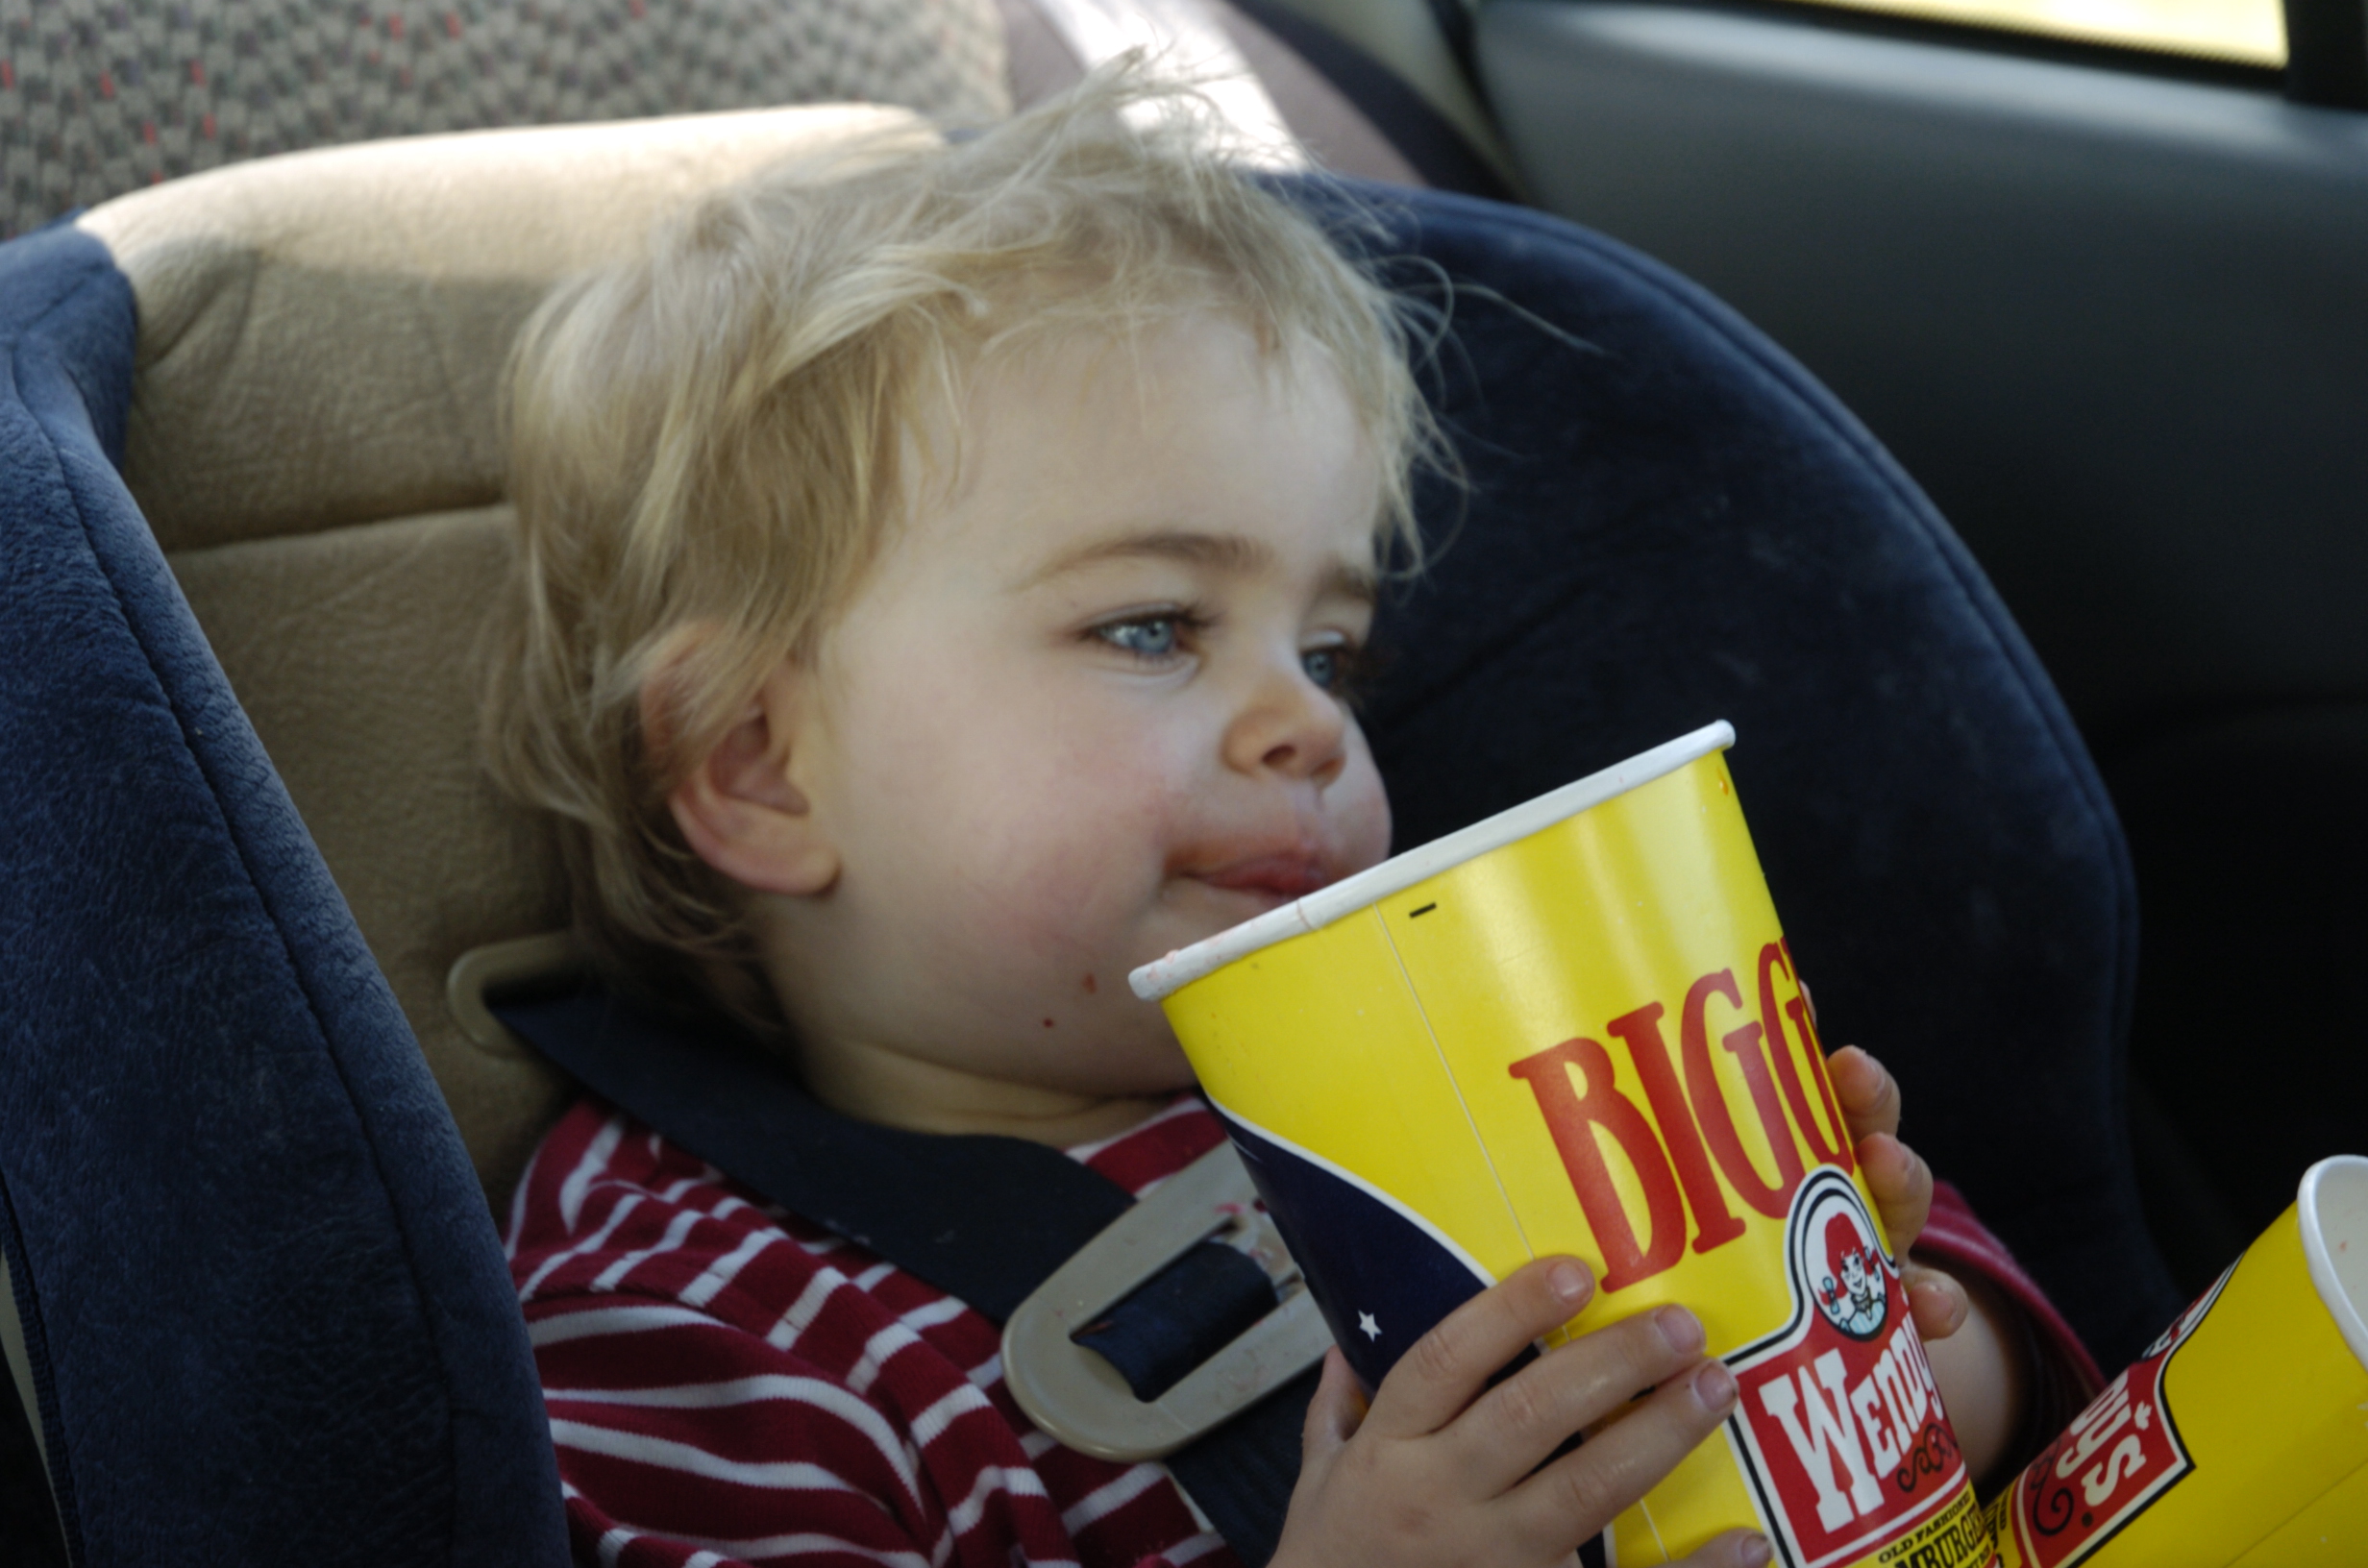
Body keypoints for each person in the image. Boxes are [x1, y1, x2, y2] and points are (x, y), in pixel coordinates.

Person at [486, 70, 2097, 1568]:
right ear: (757, 766)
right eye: (1153, 627)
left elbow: (2010, 1382)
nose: (1314, 725)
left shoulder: (1505, 1041)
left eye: (1331, 653)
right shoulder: (704, 1341)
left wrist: (1897, 1347)